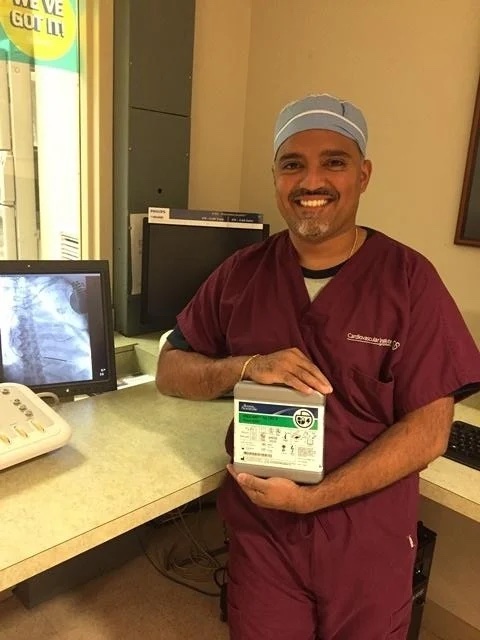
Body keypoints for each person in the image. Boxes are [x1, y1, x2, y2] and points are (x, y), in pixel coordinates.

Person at [156, 93, 480, 640]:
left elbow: (428, 433)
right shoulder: (240, 274)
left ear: (364, 174)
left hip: (366, 538)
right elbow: (169, 371)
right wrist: (245, 366)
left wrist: (313, 498)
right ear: (276, 177)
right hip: (264, 537)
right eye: (292, 164)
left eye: (334, 161)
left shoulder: (409, 280)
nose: (311, 182)